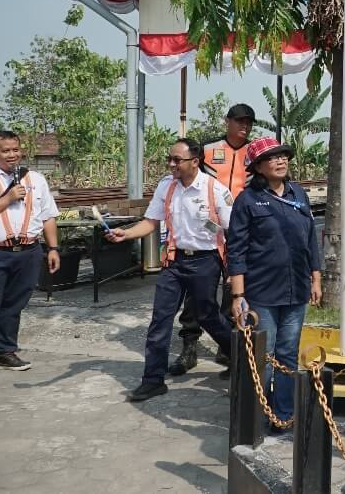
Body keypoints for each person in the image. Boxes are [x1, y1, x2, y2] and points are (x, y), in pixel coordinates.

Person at [105, 137, 234, 401]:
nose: (171, 164)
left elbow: (233, 231)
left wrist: (234, 269)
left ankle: (240, 354)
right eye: (170, 158)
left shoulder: (215, 190)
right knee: (160, 319)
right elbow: (151, 222)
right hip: (174, 262)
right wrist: (125, 234)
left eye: (177, 159)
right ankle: (153, 380)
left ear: (195, 162)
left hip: (206, 261)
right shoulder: (167, 187)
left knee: (207, 314)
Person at [226, 136, 322, 435]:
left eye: (283, 156)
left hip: (296, 290)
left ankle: (283, 413)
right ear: (258, 167)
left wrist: (316, 277)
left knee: (288, 355)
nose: (281, 161)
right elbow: (236, 250)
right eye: (272, 158)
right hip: (262, 292)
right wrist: (238, 295)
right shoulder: (248, 200)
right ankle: (255, 414)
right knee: (262, 357)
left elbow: (310, 239)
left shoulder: (298, 194)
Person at [0, 131, 61, 384]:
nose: (12, 155)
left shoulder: (36, 179)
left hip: (27, 252)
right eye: (6, 151)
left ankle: (4, 351)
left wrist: (53, 248)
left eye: (16, 149)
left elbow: (48, 215)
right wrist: (6, 199)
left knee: (14, 305)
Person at [170, 103, 255, 376]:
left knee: (235, 287)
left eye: (248, 122)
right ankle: (189, 347)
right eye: (239, 121)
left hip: (240, 226)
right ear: (227, 122)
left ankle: (228, 346)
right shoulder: (206, 149)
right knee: (197, 291)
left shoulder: (254, 152)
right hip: (206, 227)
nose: (244, 127)